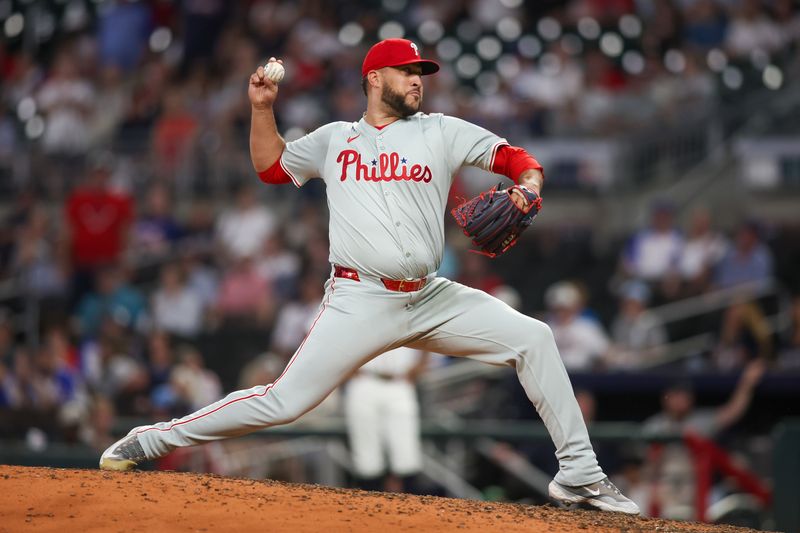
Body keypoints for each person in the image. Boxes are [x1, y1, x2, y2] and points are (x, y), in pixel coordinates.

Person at [100, 38, 639, 514]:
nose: (417, 82)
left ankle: (580, 472)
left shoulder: (442, 131)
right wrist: (262, 111)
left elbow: (517, 158)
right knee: (285, 400)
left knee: (534, 337)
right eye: (408, 72)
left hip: (431, 296)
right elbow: (271, 168)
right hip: (360, 298)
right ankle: (152, 439)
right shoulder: (336, 139)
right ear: (375, 79)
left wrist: (529, 185)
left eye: (421, 75)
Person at [344, 346, 429, 493]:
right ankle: (366, 507)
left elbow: (427, 338)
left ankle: (411, 507)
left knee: (406, 451)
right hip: (365, 378)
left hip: (400, 380)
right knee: (367, 454)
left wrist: (421, 364)